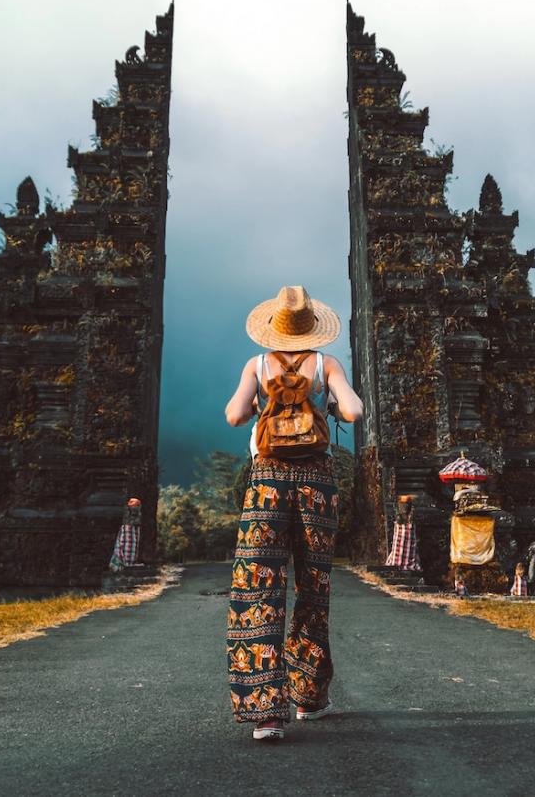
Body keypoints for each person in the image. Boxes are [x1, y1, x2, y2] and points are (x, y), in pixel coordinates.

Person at [223, 285, 363, 742]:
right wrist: (331, 402)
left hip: (265, 481)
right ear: (312, 328)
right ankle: (308, 696)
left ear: (273, 328)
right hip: (316, 483)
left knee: (257, 586)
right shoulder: (326, 364)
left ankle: (266, 713)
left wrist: (262, 406)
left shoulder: (257, 365)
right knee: (312, 586)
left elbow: (233, 416)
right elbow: (355, 410)